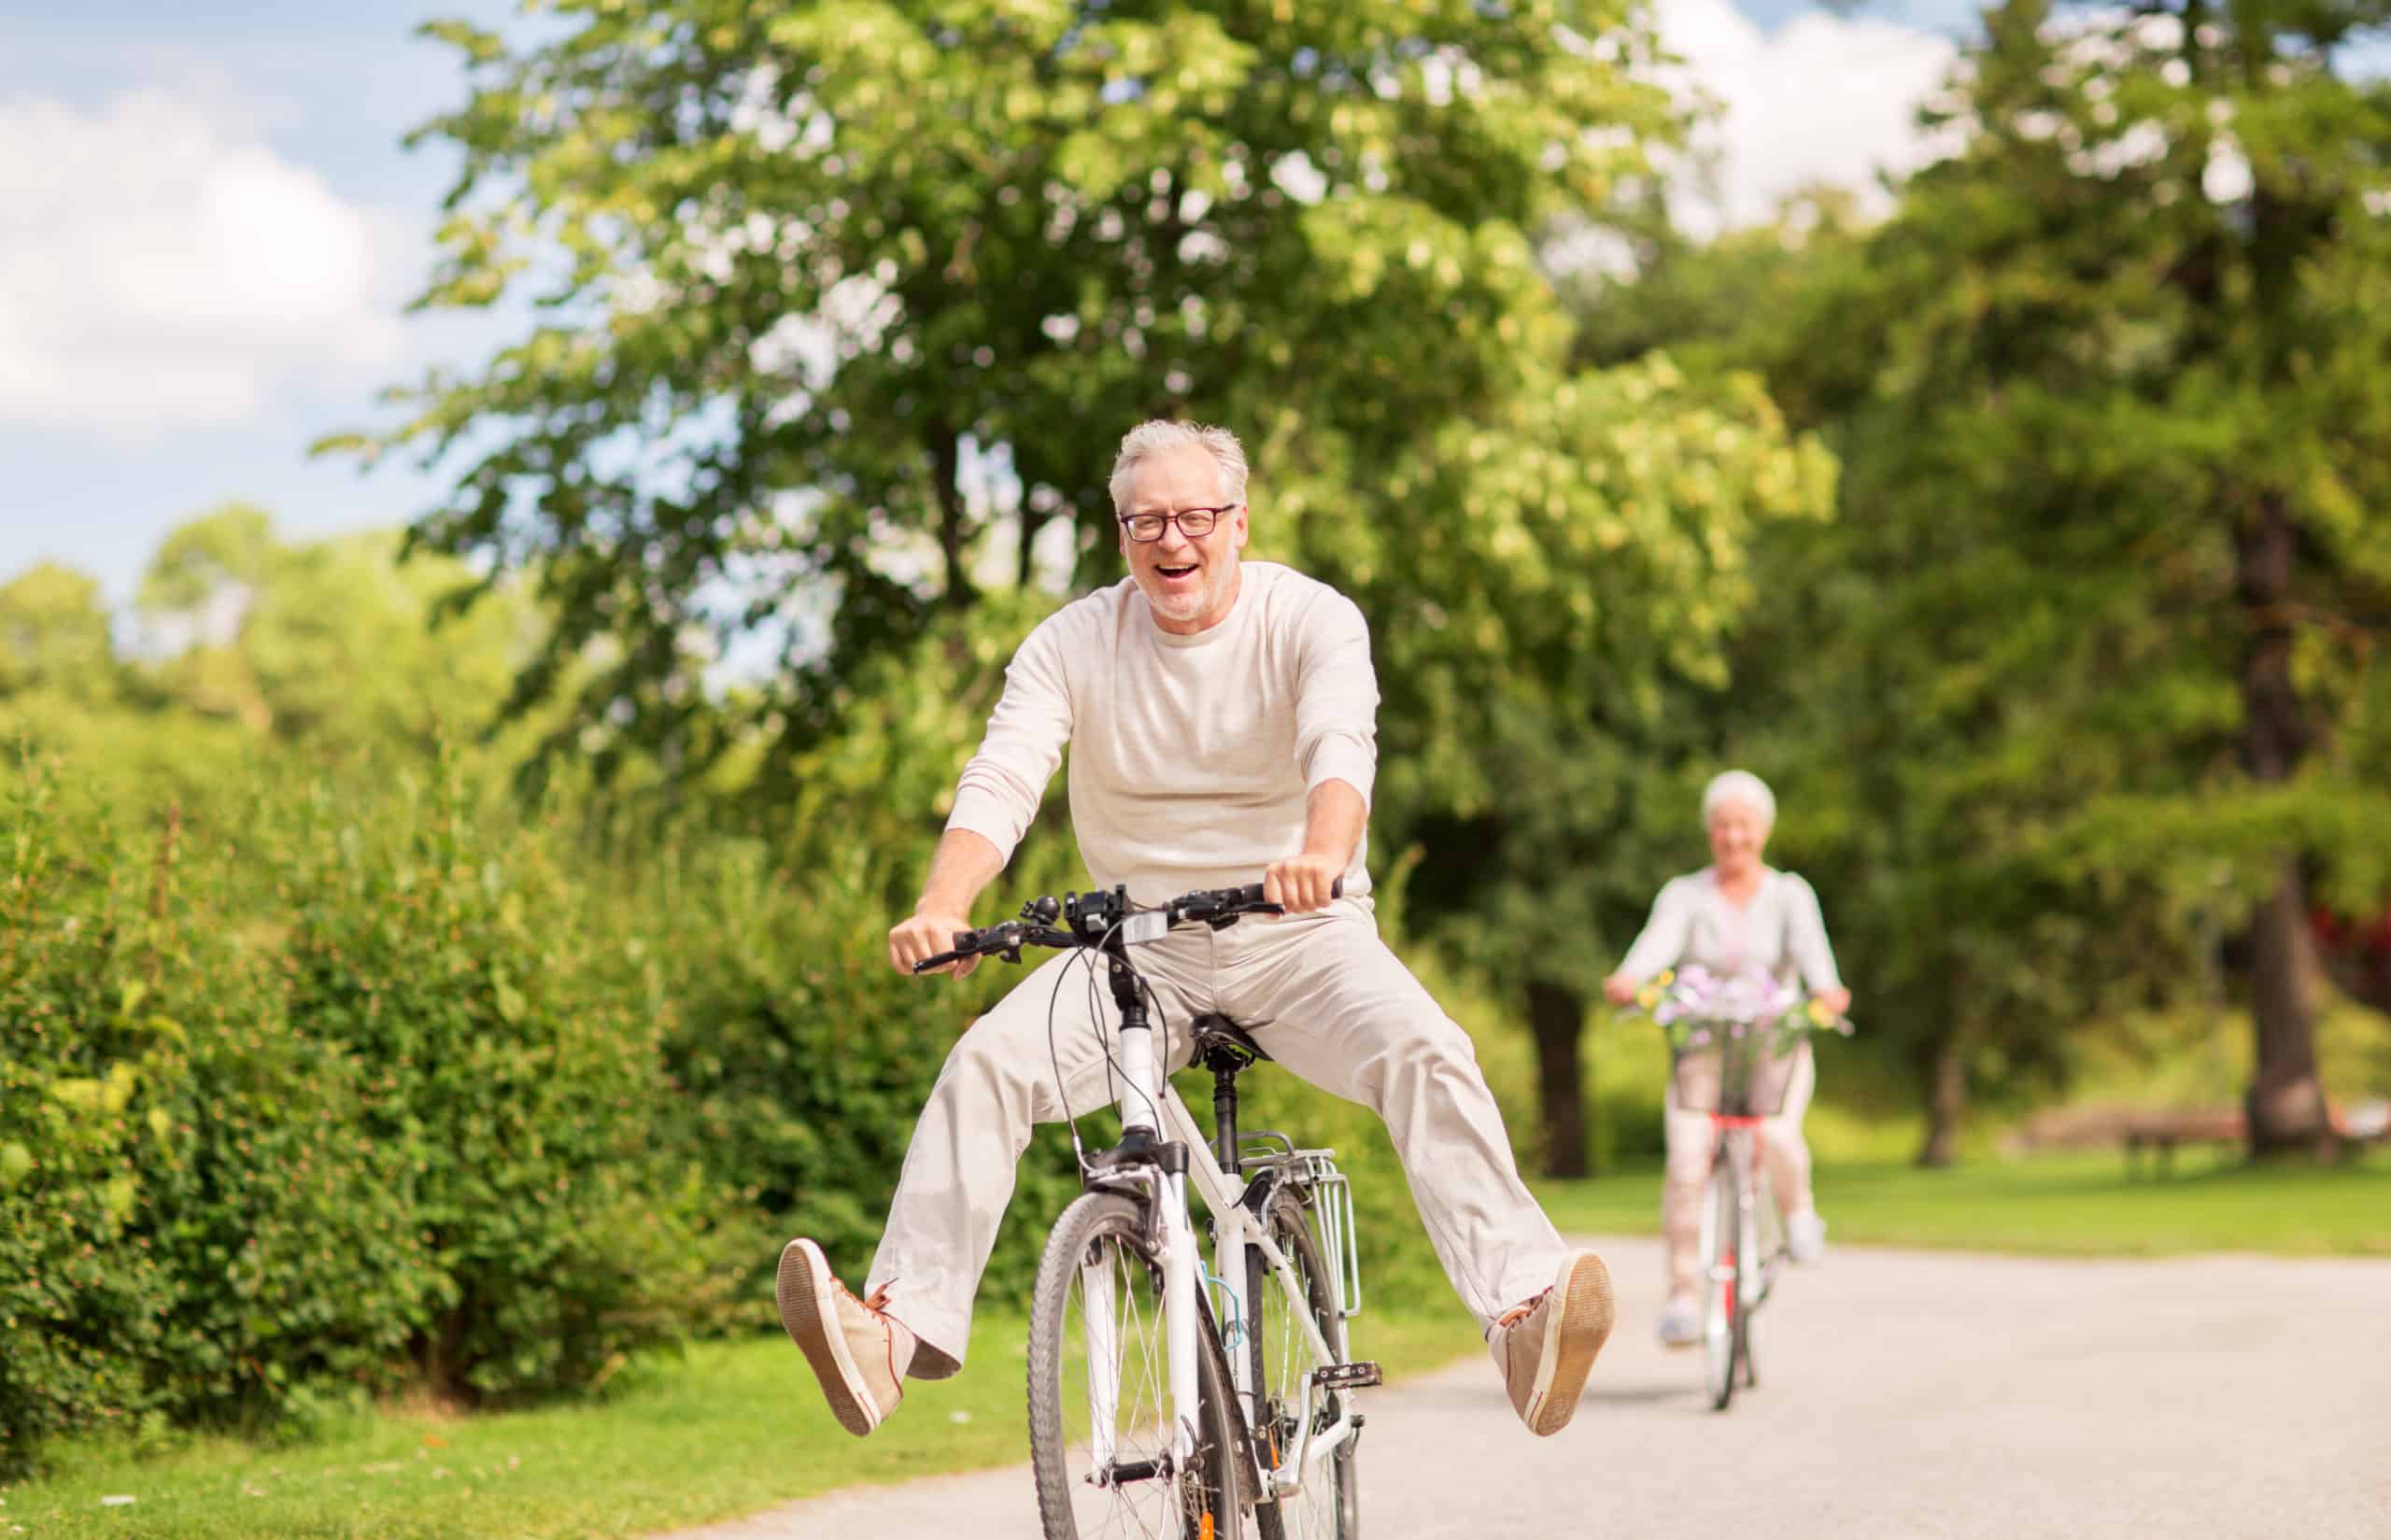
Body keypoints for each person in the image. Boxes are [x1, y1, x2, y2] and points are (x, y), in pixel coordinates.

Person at [775, 420, 1615, 1439]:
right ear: (1121, 534)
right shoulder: (1072, 640)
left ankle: (1522, 1314)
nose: (1172, 540)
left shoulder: (1309, 617)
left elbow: (1339, 744)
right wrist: (941, 903)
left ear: (1237, 522)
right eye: (1145, 523)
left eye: (1194, 516)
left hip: (1299, 932)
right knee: (986, 1063)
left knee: (1425, 1047)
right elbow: (1003, 775)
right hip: (1137, 949)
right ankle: (891, 1334)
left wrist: (1321, 851)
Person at [1601, 770, 1851, 1349]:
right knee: (1688, 1159)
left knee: (1778, 1136)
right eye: (1722, 826)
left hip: (1773, 1048)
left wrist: (1827, 991)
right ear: (1710, 832)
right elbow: (1654, 946)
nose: (1733, 837)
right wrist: (1630, 979)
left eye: (1743, 826)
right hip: (1704, 1049)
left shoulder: (1791, 895)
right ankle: (1684, 1296)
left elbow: (1818, 963)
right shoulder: (1685, 895)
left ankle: (1798, 1216)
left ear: (1762, 831)